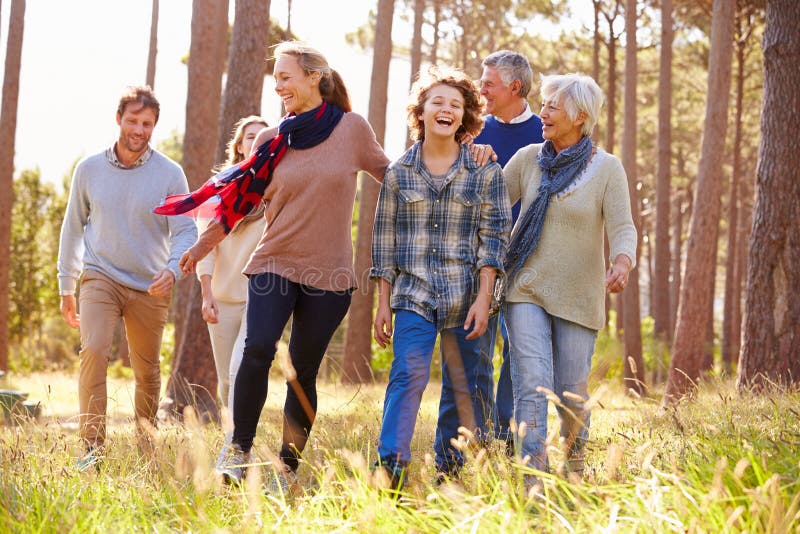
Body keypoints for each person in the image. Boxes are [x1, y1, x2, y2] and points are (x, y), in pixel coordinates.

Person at [156, 41, 392, 491]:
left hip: (330, 272)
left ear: (313, 78)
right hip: (274, 262)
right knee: (258, 347)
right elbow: (238, 203)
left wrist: (455, 156)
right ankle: (238, 449)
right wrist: (204, 245)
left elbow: (396, 177)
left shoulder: (353, 130)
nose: (278, 85)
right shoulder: (272, 140)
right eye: (276, 77)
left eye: (285, 76)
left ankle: (287, 468)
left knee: (301, 372)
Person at [371, 66, 511, 489]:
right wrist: (382, 302)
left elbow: (495, 240)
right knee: (407, 375)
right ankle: (391, 471)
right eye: (438, 102)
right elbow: (384, 242)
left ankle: (448, 472)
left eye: (455, 104)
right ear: (422, 111)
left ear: (465, 116)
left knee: (463, 385)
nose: (446, 110)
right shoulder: (398, 173)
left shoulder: (486, 172)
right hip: (413, 296)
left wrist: (485, 298)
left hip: (468, 297)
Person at [501, 73, 637, 492]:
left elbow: (624, 227)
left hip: (580, 294)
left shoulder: (607, 168)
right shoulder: (527, 159)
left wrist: (622, 261)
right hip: (524, 286)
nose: (543, 112)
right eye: (543, 104)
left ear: (580, 116)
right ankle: (533, 482)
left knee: (572, 393)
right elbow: (489, 208)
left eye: (552, 106)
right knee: (532, 381)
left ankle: (573, 474)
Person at [57, 85, 197, 471]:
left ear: (154, 126)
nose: (139, 129)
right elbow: (72, 228)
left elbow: (185, 230)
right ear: (118, 119)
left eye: (147, 123)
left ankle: (146, 443)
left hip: (150, 284)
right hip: (100, 275)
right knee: (95, 350)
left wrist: (172, 270)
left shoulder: (170, 174)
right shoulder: (89, 170)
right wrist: (66, 285)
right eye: (133, 120)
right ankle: (91, 449)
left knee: (147, 370)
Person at [472, 50, 544, 452]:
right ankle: (477, 434)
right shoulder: (474, 131)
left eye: (488, 83)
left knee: (518, 351)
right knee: (477, 349)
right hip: (479, 258)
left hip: (526, 260)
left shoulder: (545, 130)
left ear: (514, 87)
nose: (481, 89)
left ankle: (505, 434)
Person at [196, 116, 268, 414]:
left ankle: (240, 439)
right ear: (239, 146)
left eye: (263, 136)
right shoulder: (216, 189)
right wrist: (206, 293)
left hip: (261, 296)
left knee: (243, 369)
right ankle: (235, 437)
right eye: (251, 136)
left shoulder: (277, 189)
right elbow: (206, 245)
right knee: (226, 379)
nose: (257, 141)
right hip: (223, 296)